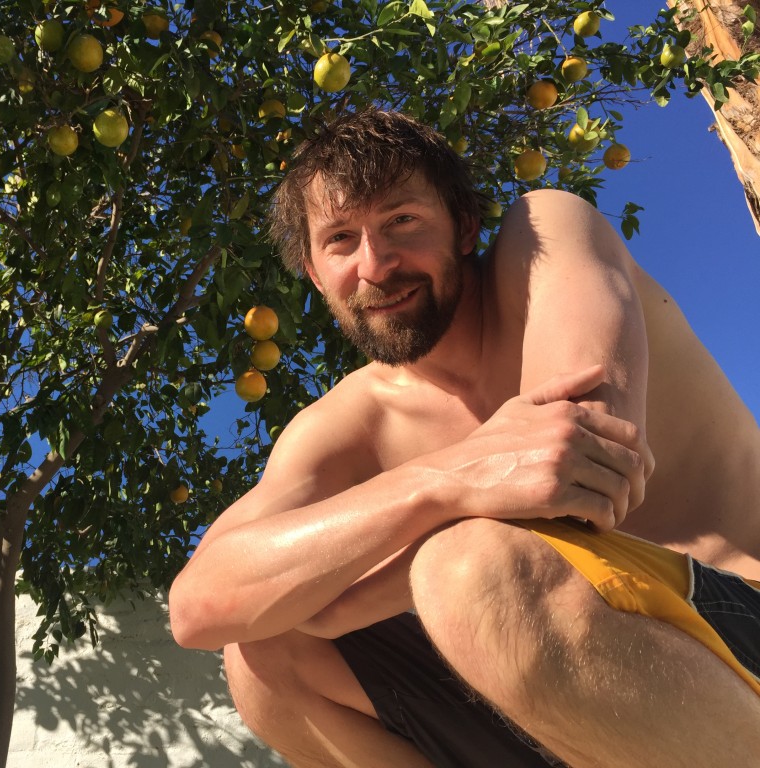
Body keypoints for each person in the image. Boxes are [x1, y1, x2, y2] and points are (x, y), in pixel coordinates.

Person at [168, 109, 760, 768]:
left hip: (736, 627)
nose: (376, 265)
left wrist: (337, 601)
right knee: (265, 655)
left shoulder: (546, 237)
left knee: (471, 571)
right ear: (314, 272)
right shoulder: (350, 420)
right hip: (572, 694)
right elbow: (201, 605)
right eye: (340, 239)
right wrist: (441, 480)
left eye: (402, 222)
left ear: (465, 225)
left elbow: (587, 477)